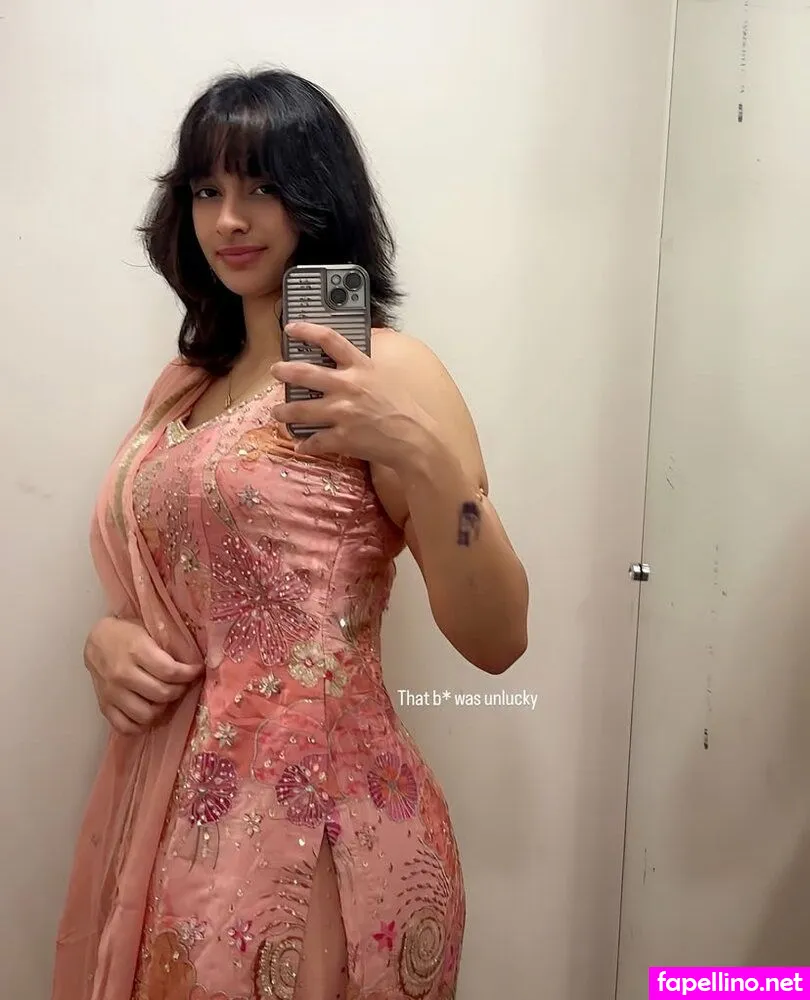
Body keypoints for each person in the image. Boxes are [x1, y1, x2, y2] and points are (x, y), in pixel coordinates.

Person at [52, 68, 529, 1000]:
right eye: (207, 190)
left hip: (323, 834)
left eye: (263, 185)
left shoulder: (388, 369)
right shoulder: (188, 387)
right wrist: (106, 640)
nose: (230, 219)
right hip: (180, 832)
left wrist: (422, 455)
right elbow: (171, 588)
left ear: (319, 195)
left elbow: (499, 636)